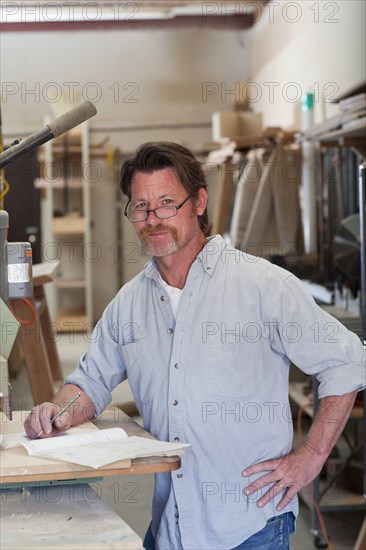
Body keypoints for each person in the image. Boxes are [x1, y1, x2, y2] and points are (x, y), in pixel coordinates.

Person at [25, 142, 365, 550]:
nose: (153, 220)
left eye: (167, 203)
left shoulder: (263, 287)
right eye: (141, 207)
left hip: (250, 527)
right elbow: (89, 383)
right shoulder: (128, 305)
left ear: (199, 202)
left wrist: (310, 458)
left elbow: (346, 363)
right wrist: (57, 411)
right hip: (170, 527)